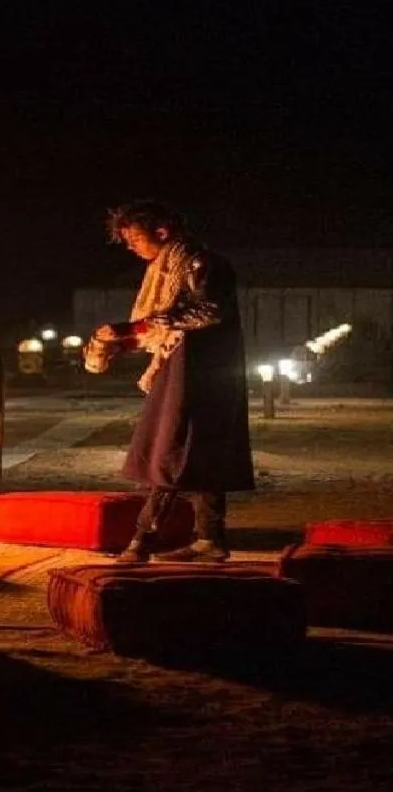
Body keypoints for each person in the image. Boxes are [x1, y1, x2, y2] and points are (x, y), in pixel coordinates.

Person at [89, 200, 254, 563]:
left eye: (134, 238)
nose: (131, 247)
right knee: (198, 451)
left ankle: (141, 541)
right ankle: (210, 539)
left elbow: (209, 311)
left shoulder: (203, 263)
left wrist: (134, 328)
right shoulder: (163, 272)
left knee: (170, 452)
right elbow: (162, 328)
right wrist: (119, 343)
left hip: (202, 371)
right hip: (184, 366)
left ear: (161, 232)